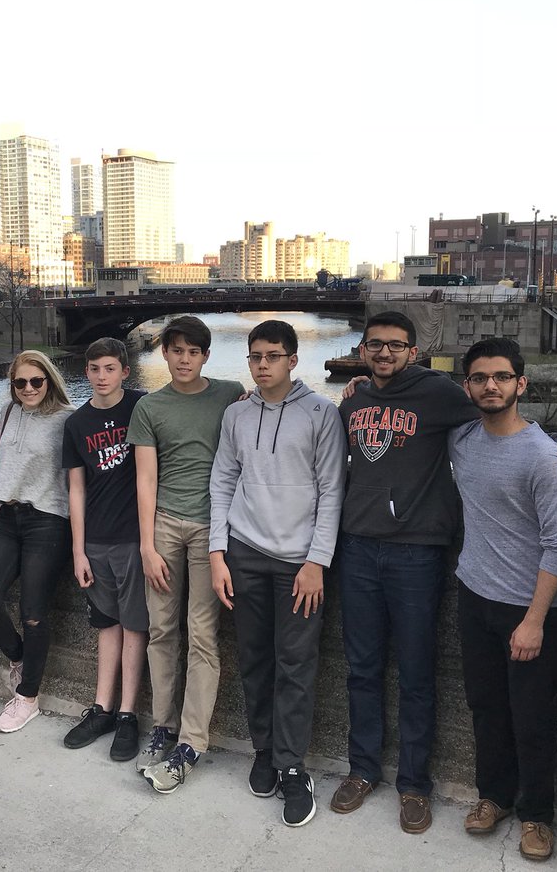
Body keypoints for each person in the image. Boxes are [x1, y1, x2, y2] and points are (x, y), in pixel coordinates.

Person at [333, 311, 557, 833]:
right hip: (358, 549)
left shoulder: (441, 394)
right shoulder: (352, 396)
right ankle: (362, 770)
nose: (384, 354)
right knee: (362, 668)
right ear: (361, 349)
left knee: (420, 674)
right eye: (374, 345)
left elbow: (507, 419)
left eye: (396, 345)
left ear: (414, 351)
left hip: (418, 553)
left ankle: (415, 785)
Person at [209, 320, 345, 827]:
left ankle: (292, 766)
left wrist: (316, 562)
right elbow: (223, 479)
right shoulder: (237, 414)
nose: (262, 364)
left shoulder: (321, 414)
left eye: (272, 355)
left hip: (297, 564)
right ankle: (263, 751)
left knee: (295, 665)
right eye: (254, 356)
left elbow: (332, 490)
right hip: (244, 553)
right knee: (254, 660)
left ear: (293, 360)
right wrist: (217, 553)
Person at [449, 338, 557, 861]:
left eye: (501, 377)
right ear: (468, 387)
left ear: (520, 384)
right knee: (485, 707)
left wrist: (535, 620)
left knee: (533, 717)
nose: (491, 386)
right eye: (480, 378)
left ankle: (537, 816)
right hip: (474, 595)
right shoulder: (461, 439)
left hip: (532, 609)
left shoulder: (545, 457)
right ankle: (494, 796)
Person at [126, 315, 246, 793]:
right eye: (175, 350)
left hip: (213, 528)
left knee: (202, 633)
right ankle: (161, 724)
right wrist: (147, 545)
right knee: (160, 629)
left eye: (193, 352)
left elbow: (276, 406)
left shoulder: (230, 393)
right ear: (165, 353)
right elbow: (145, 480)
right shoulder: (150, 407)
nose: (183, 359)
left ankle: (192, 739)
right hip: (165, 527)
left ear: (206, 356)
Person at [0, 350, 74, 733]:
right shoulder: (8, 414)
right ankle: (19, 658)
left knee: (33, 613)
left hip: (47, 520)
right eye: (20, 382)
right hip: (7, 517)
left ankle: (27, 698)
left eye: (36, 381)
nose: (28, 388)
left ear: (49, 380)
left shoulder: (67, 419)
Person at [61, 338, 148, 760]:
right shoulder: (76, 424)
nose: (101, 376)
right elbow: (76, 490)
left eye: (110, 368)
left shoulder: (142, 407)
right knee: (106, 625)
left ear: (124, 372)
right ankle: (103, 707)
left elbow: (197, 395)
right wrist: (78, 551)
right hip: (95, 539)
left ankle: (129, 713)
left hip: (134, 538)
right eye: (94, 369)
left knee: (135, 626)